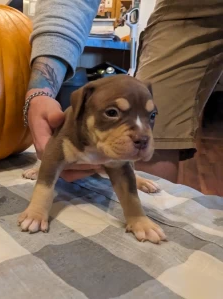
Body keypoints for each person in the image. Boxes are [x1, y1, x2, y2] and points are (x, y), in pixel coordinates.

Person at [25, 0, 223, 183]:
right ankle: (142, 207)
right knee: (160, 137)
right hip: (186, 7)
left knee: (147, 131)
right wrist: (40, 92)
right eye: (112, 112)